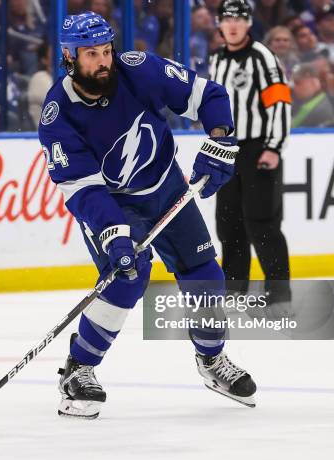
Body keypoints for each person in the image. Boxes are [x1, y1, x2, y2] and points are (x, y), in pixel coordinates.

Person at [38, 11, 257, 419]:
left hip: (166, 186)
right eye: (91, 54)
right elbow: (82, 188)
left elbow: (209, 96)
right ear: (68, 57)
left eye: (106, 50)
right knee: (129, 276)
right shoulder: (58, 117)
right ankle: (78, 371)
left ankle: (212, 360)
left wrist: (220, 141)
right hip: (112, 202)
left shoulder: (139, 69)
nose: (103, 60)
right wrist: (114, 232)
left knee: (205, 274)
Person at [209, 0, 292, 307]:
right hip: (227, 149)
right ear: (219, 23)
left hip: (258, 148)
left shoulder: (262, 57)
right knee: (228, 221)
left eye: (239, 19)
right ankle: (233, 287)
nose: (232, 25)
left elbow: (280, 103)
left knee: (262, 221)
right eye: (227, 19)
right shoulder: (217, 59)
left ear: (248, 23)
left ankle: (278, 290)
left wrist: (273, 147)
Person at [291, 63, 334, 127]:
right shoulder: (309, 103)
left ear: (314, 82)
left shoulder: (319, 109)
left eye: (298, 82)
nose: (294, 87)